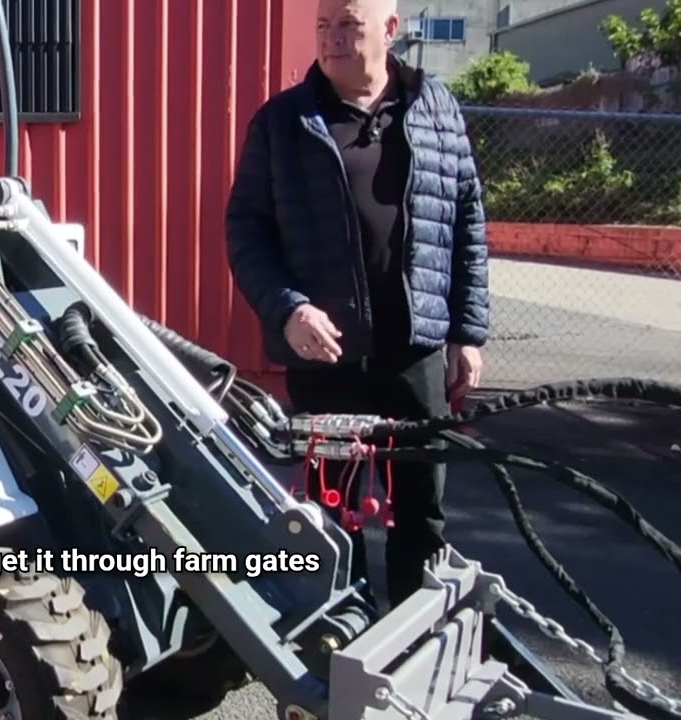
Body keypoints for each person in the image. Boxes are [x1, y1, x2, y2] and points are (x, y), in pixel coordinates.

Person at [224, 0, 490, 607]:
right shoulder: (283, 123)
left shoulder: (436, 110)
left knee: (422, 509)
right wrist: (288, 309)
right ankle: (337, 638)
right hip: (328, 356)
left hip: (415, 351)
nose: (332, 39)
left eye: (348, 25)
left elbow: (468, 221)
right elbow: (245, 229)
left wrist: (467, 332)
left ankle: (416, 627)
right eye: (324, 27)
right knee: (330, 514)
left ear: (390, 31)